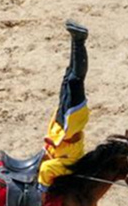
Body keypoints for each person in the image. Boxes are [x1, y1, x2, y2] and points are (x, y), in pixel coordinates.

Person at [37, 20, 90, 192]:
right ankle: (77, 40)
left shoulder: (64, 163)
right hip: (71, 119)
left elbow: (46, 168)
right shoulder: (69, 162)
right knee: (72, 78)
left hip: (66, 121)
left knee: (71, 78)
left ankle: (78, 40)